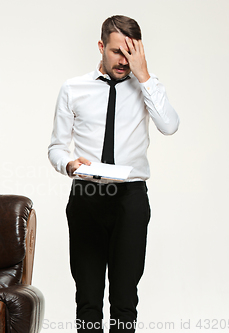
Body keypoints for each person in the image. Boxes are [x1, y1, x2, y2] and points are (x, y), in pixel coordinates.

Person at [48, 15, 179, 332]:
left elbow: (170, 125)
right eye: (117, 51)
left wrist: (144, 75)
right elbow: (56, 146)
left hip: (130, 199)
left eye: (131, 52)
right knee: (88, 297)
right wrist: (69, 164)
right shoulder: (73, 88)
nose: (124, 61)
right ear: (101, 46)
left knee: (125, 297)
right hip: (87, 196)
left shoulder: (147, 87)